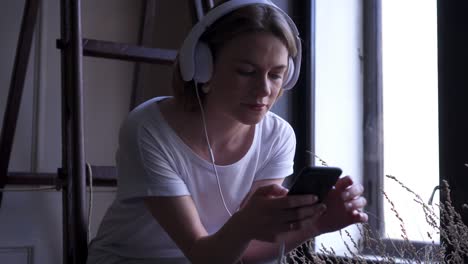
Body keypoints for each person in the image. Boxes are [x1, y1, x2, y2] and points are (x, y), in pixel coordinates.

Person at [87, 1, 368, 263]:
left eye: (276, 75)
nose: (264, 90)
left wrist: (317, 225)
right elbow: (204, 255)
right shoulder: (150, 129)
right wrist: (246, 223)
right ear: (203, 68)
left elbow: (243, 253)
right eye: (246, 71)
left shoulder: (277, 137)